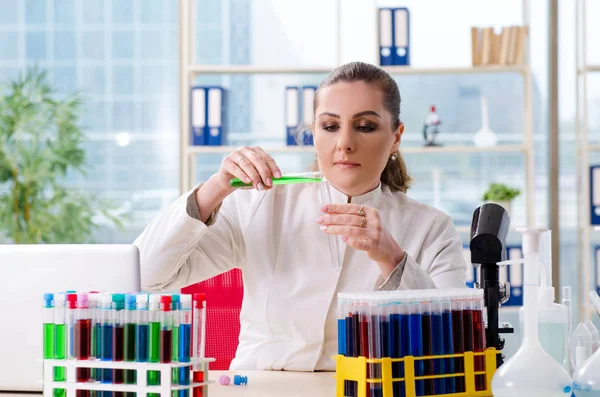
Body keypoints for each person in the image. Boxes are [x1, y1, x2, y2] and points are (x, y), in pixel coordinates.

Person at [134, 61, 467, 372]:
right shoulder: (259, 202)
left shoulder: (431, 228)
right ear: (314, 132)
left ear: (396, 136)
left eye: (365, 126)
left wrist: (392, 258)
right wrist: (214, 190)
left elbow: (452, 345)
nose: (345, 143)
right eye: (330, 126)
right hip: (261, 387)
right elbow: (145, 277)